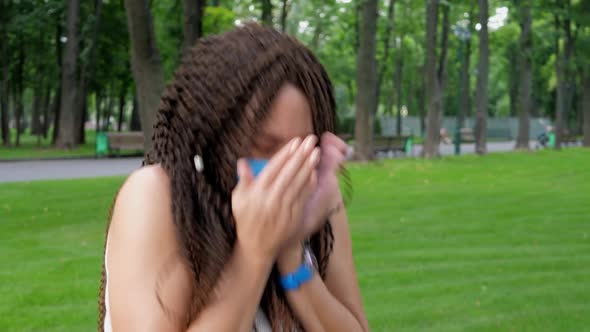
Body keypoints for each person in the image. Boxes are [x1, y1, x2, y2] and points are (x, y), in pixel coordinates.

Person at [98, 23, 369, 332]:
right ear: (214, 136)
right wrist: (253, 254)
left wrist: (292, 255)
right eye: (266, 147)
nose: (287, 169)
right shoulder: (155, 198)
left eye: (304, 149)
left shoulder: (316, 193)